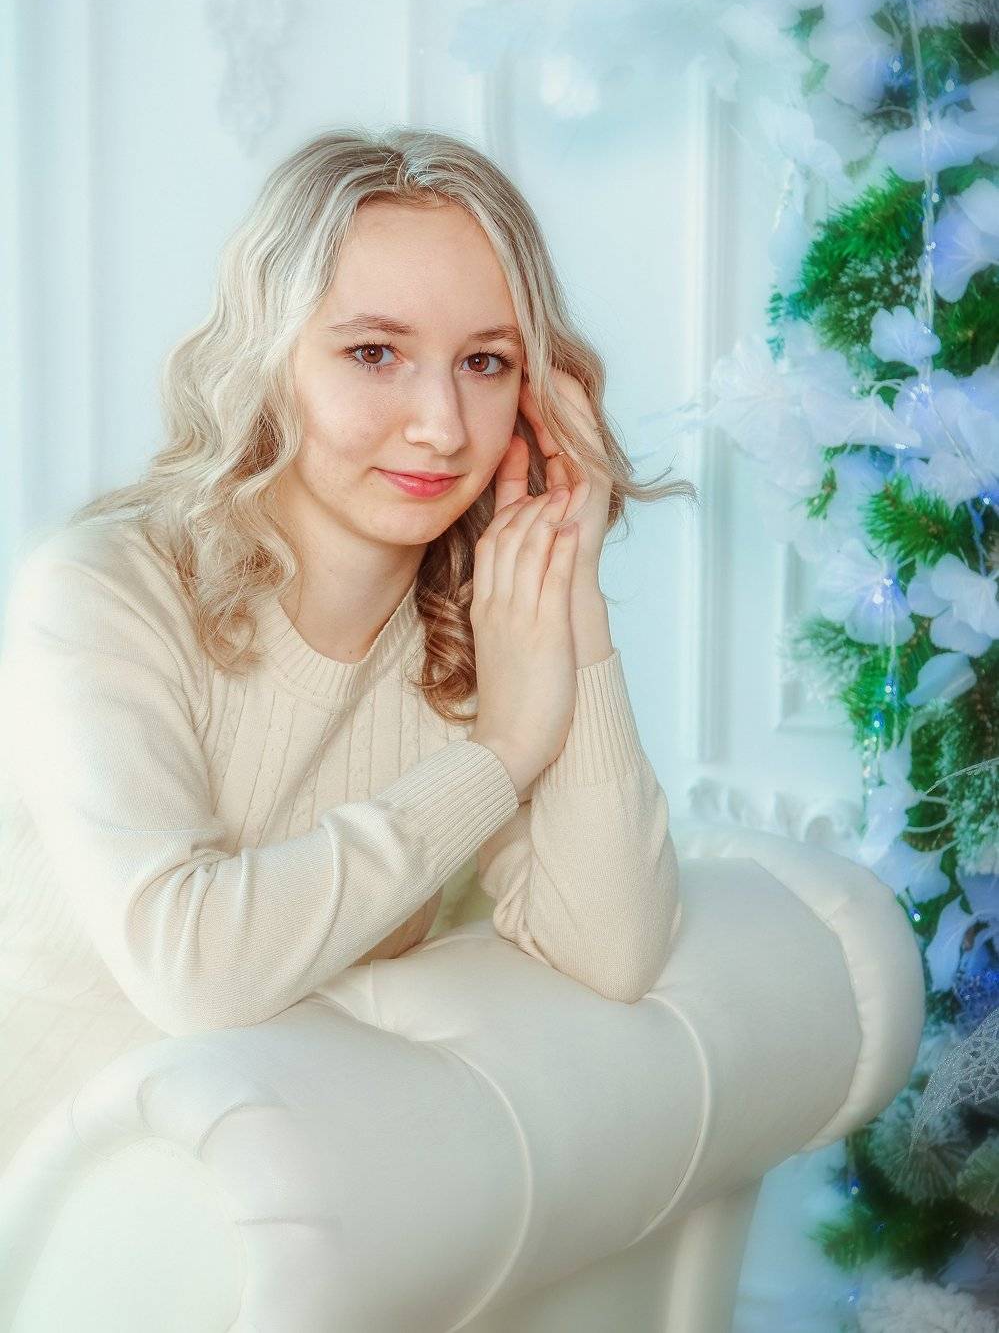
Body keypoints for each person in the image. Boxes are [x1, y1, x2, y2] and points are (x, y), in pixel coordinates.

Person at [0, 127, 696, 1176]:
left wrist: (570, 581)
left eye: (485, 362)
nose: (441, 426)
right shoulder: (103, 590)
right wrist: (502, 754)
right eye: (374, 353)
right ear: (270, 358)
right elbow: (196, 971)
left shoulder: (483, 629)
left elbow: (613, 948)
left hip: (251, 1210)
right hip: (43, 1207)